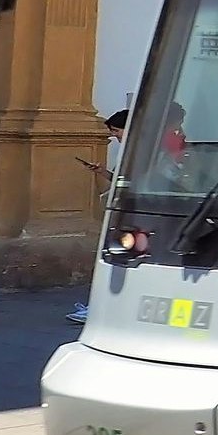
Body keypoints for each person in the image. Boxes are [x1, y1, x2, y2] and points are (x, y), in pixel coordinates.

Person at [67, 109, 132, 325]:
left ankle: (99, 309)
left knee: (114, 261)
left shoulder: (137, 153)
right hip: (122, 212)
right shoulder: (130, 153)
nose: (115, 136)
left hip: (128, 216)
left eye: (116, 131)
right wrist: (102, 173)